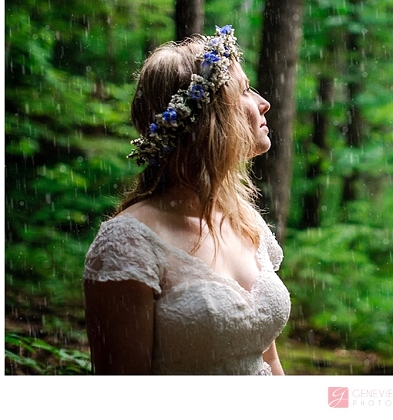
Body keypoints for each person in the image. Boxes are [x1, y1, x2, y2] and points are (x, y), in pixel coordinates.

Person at [83, 25, 290, 375]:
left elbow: (267, 359)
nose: (262, 102)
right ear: (210, 119)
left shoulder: (246, 222)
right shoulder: (127, 245)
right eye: (244, 91)